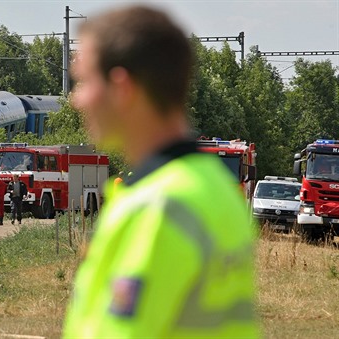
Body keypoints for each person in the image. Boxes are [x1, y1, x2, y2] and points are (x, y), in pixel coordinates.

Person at [63, 6, 258, 338]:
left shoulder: (154, 208)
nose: (76, 100)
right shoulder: (217, 189)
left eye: (84, 82)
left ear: (122, 88)